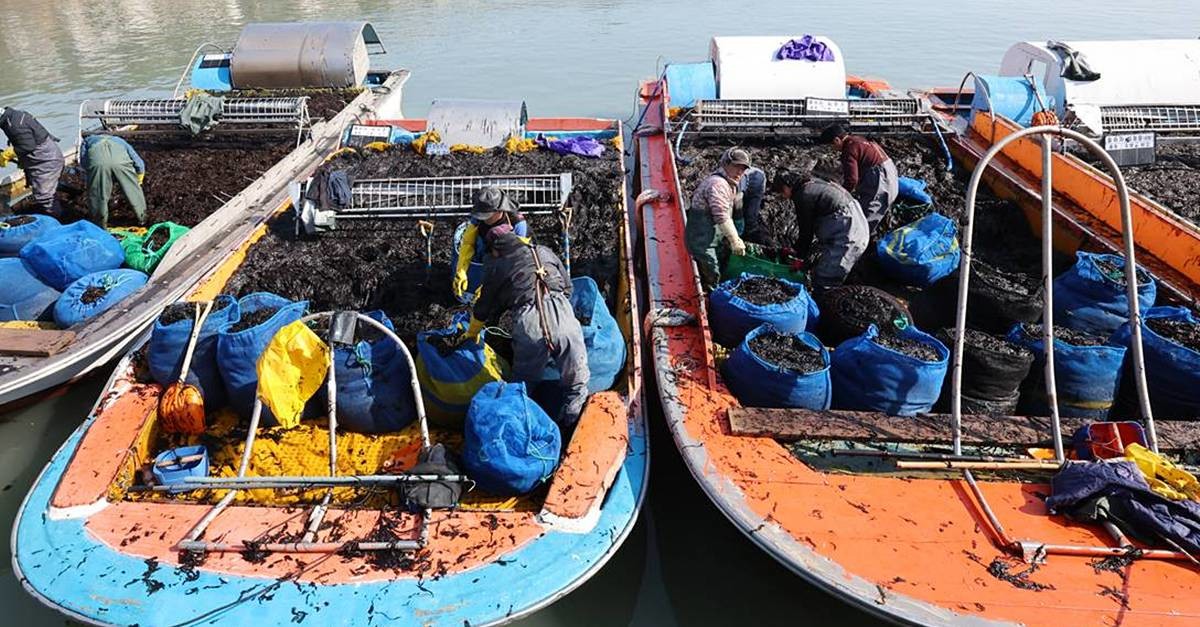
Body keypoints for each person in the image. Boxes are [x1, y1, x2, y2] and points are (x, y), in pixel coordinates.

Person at [461, 224, 590, 428]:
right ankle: (571, 426)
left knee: (524, 383)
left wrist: (472, 333)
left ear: (495, 249)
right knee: (577, 381)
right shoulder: (544, 251)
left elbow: (485, 307)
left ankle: (521, 426)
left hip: (530, 325)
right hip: (564, 318)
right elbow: (568, 286)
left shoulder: (498, 265)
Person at [770, 169, 869, 295]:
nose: (783, 196)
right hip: (857, 223)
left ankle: (821, 303)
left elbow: (806, 233)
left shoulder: (803, 195)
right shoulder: (813, 183)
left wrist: (798, 258)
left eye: (781, 191)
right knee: (824, 268)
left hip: (848, 233)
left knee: (826, 278)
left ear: (787, 186)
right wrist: (797, 252)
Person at [686, 147, 750, 290]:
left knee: (722, 260)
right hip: (701, 239)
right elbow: (721, 215)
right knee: (711, 267)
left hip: (714, 234)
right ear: (725, 164)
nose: (740, 172)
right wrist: (734, 240)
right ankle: (709, 290)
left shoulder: (731, 184)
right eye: (736, 167)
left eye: (743, 169)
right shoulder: (718, 184)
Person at [453, 186, 529, 302]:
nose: (483, 219)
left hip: (506, 258)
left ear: (499, 210)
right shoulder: (478, 219)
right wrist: (461, 269)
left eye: (486, 215)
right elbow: (468, 243)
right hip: (485, 248)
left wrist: (490, 285)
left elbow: (515, 261)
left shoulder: (518, 225)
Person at [820, 123, 898, 233]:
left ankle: (862, 239)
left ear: (837, 140)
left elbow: (852, 179)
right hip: (890, 173)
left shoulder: (849, 149)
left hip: (880, 178)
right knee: (875, 210)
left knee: (867, 214)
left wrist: (842, 194)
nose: (833, 150)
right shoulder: (858, 139)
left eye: (831, 146)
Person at [0, 107, 65, 216]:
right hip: (45, 156)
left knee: (44, 196)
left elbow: (28, 146)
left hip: (47, 161)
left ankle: (59, 220)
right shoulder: (14, 115)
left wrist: (9, 153)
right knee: (42, 188)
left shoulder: (13, 125)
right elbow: (26, 139)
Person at [79, 133, 147, 227]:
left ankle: (100, 225)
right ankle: (142, 218)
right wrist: (139, 180)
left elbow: (84, 163)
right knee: (133, 191)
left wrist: (93, 178)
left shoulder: (86, 141)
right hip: (121, 162)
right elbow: (139, 162)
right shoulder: (120, 141)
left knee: (98, 195)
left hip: (98, 163)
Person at [734, 164, 768, 245]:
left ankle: (754, 240)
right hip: (746, 183)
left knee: (750, 217)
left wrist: (738, 220)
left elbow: (737, 200)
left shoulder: (738, 178)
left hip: (757, 183)